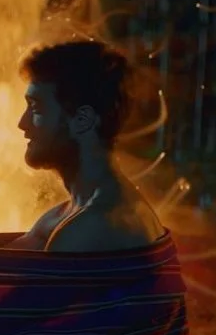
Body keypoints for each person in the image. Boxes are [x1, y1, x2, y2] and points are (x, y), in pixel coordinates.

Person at [9, 41, 164, 252]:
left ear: (82, 120)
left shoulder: (94, 226)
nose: (22, 123)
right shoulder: (67, 216)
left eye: (36, 109)